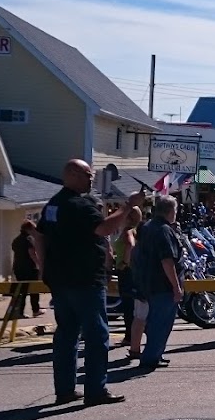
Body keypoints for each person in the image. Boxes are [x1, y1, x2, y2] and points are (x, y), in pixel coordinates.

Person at [35, 159, 145, 406]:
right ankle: (95, 390)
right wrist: (128, 205)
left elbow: (39, 237)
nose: (91, 179)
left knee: (66, 335)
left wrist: (43, 269)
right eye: (88, 175)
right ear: (72, 174)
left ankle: (64, 390)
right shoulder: (80, 205)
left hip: (60, 282)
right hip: (85, 280)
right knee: (97, 336)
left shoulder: (53, 205)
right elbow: (104, 228)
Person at [132, 195, 184, 371]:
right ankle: (151, 357)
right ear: (170, 211)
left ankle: (156, 354)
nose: (175, 214)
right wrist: (176, 287)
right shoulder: (163, 230)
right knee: (161, 323)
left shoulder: (146, 227)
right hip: (162, 285)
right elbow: (167, 261)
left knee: (155, 322)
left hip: (148, 282)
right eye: (175, 210)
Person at [113, 206, 143, 347]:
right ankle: (130, 336)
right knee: (130, 305)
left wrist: (124, 262)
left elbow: (130, 246)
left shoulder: (127, 231)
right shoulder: (135, 230)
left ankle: (129, 337)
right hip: (132, 271)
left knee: (128, 305)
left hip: (126, 271)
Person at [11, 221, 43, 318]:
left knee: (21, 290)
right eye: (33, 228)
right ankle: (35, 310)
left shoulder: (16, 240)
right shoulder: (29, 239)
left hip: (18, 268)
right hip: (29, 268)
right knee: (34, 289)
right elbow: (32, 253)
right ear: (28, 229)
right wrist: (40, 264)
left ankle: (19, 312)